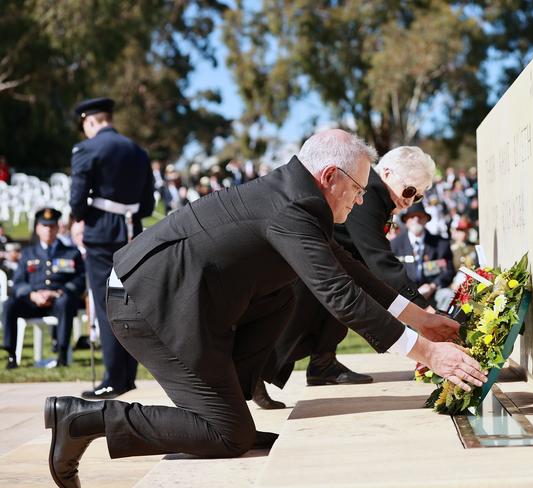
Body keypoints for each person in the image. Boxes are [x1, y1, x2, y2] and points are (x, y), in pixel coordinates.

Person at [44, 130, 486, 488]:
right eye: (356, 189)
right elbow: (340, 294)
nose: (358, 201)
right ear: (330, 177)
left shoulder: (299, 198)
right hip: (147, 303)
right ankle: (83, 419)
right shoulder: (292, 209)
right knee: (225, 435)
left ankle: (229, 404)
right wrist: (428, 354)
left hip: (187, 297)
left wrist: (421, 318)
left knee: (286, 291)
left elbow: (347, 268)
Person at [257, 146, 444, 409]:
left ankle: (324, 364)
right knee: (296, 321)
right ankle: (257, 373)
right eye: (409, 191)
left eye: (419, 197)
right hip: (314, 263)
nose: (410, 202)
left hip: (338, 262)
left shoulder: (383, 196)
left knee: (337, 312)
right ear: (387, 173)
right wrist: (423, 309)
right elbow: (380, 260)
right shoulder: (373, 193)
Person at [69, 97, 154, 399]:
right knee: (128, 303)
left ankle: (112, 379)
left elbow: (78, 198)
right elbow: (148, 204)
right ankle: (127, 375)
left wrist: (80, 218)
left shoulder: (87, 149)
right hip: (133, 232)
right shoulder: (138, 151)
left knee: (107, 306)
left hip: (102, 233)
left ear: (89, 121)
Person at [2, 208, 85, 369]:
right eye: (44, 226)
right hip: (33, 302)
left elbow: (80, 280)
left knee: (66, 302)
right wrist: (32, 295)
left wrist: (58, 292)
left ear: (58, 227)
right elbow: (18, 282)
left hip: (58, 302)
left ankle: (62, 353)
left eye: (52, 226)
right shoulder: (28, 253)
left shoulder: (71, 252)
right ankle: (11, 355)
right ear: (37, 228)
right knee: (9, 304)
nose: (48, 230)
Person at [390, 202, 456, 311]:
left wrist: (432, 286)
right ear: (406, 221)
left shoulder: (440, 243)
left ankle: (441, 324)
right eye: (411, 217)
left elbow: (448, 271)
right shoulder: (395, 245)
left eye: (419, 216)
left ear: (426, 219)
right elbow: (391, 274)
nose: (416, 219)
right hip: (405, 295)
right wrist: (411, 292)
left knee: (447, 294)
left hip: (433, 292)